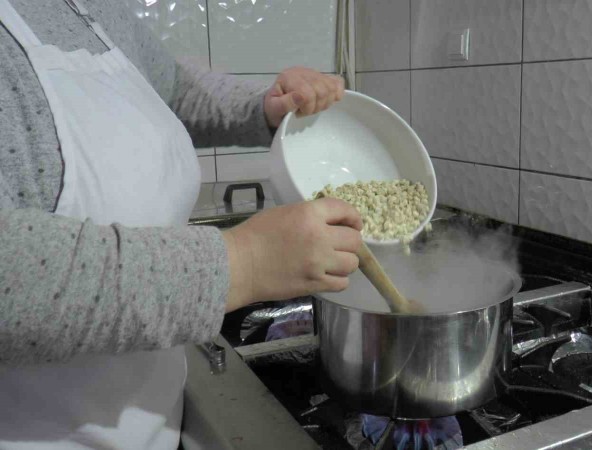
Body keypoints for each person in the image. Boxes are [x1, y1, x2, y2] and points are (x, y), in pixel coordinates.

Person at [0, 0, 363, 448]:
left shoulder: (91, 8)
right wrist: (245, 263)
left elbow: (171, 89)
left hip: (152, 417)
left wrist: (264, 108)